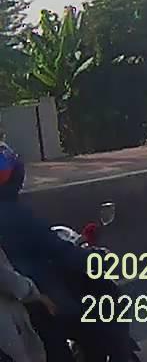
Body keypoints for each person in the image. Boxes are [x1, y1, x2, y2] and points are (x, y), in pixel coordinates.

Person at [0, 145, 90, 362]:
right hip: (17, 306)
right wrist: (32, 292)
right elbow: (55, 248)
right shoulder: (18, 216)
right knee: (55, 330)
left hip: (17, 297)